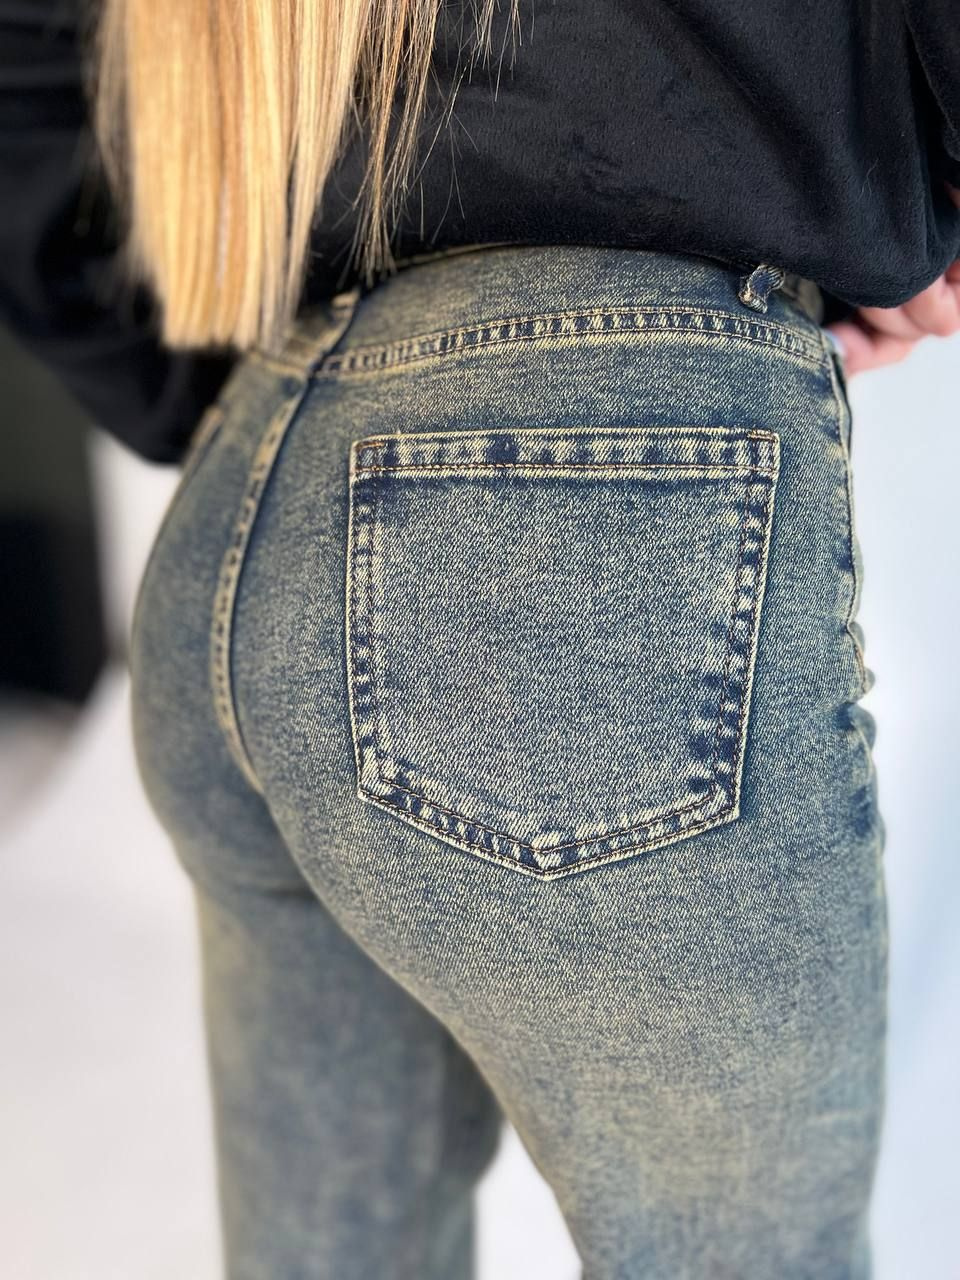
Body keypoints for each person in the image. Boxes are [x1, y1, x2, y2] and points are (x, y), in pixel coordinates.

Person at [2, 2, 959, 1277]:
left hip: (254, 472)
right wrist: (889, 206)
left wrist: (195, 394)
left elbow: (23, 62)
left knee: (333, 1250)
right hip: (589, 474)